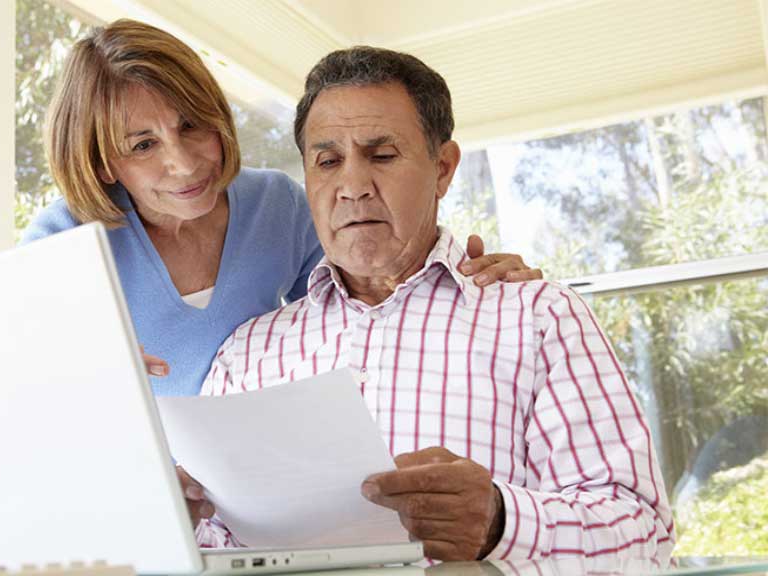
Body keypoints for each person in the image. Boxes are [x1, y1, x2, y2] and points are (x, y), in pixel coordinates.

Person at [191, 46, 675, 562]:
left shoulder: (538, 317)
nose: (352, 187)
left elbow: (643, 530)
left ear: (442, 168)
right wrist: (177, 520)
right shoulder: (248, 352)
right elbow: (212, 544)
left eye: (381, 155)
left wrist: (500, 521)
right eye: (328, 161)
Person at [20, 19, 541, 399]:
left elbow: (363, 304)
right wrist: (69, 373)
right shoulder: (63, 242)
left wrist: (468, 279)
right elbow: (10, 385)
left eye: (191, 126)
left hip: (252, 488)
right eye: (142, 145)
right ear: (103, 163)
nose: (183, 164)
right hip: (133, 483)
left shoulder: (278, 206)